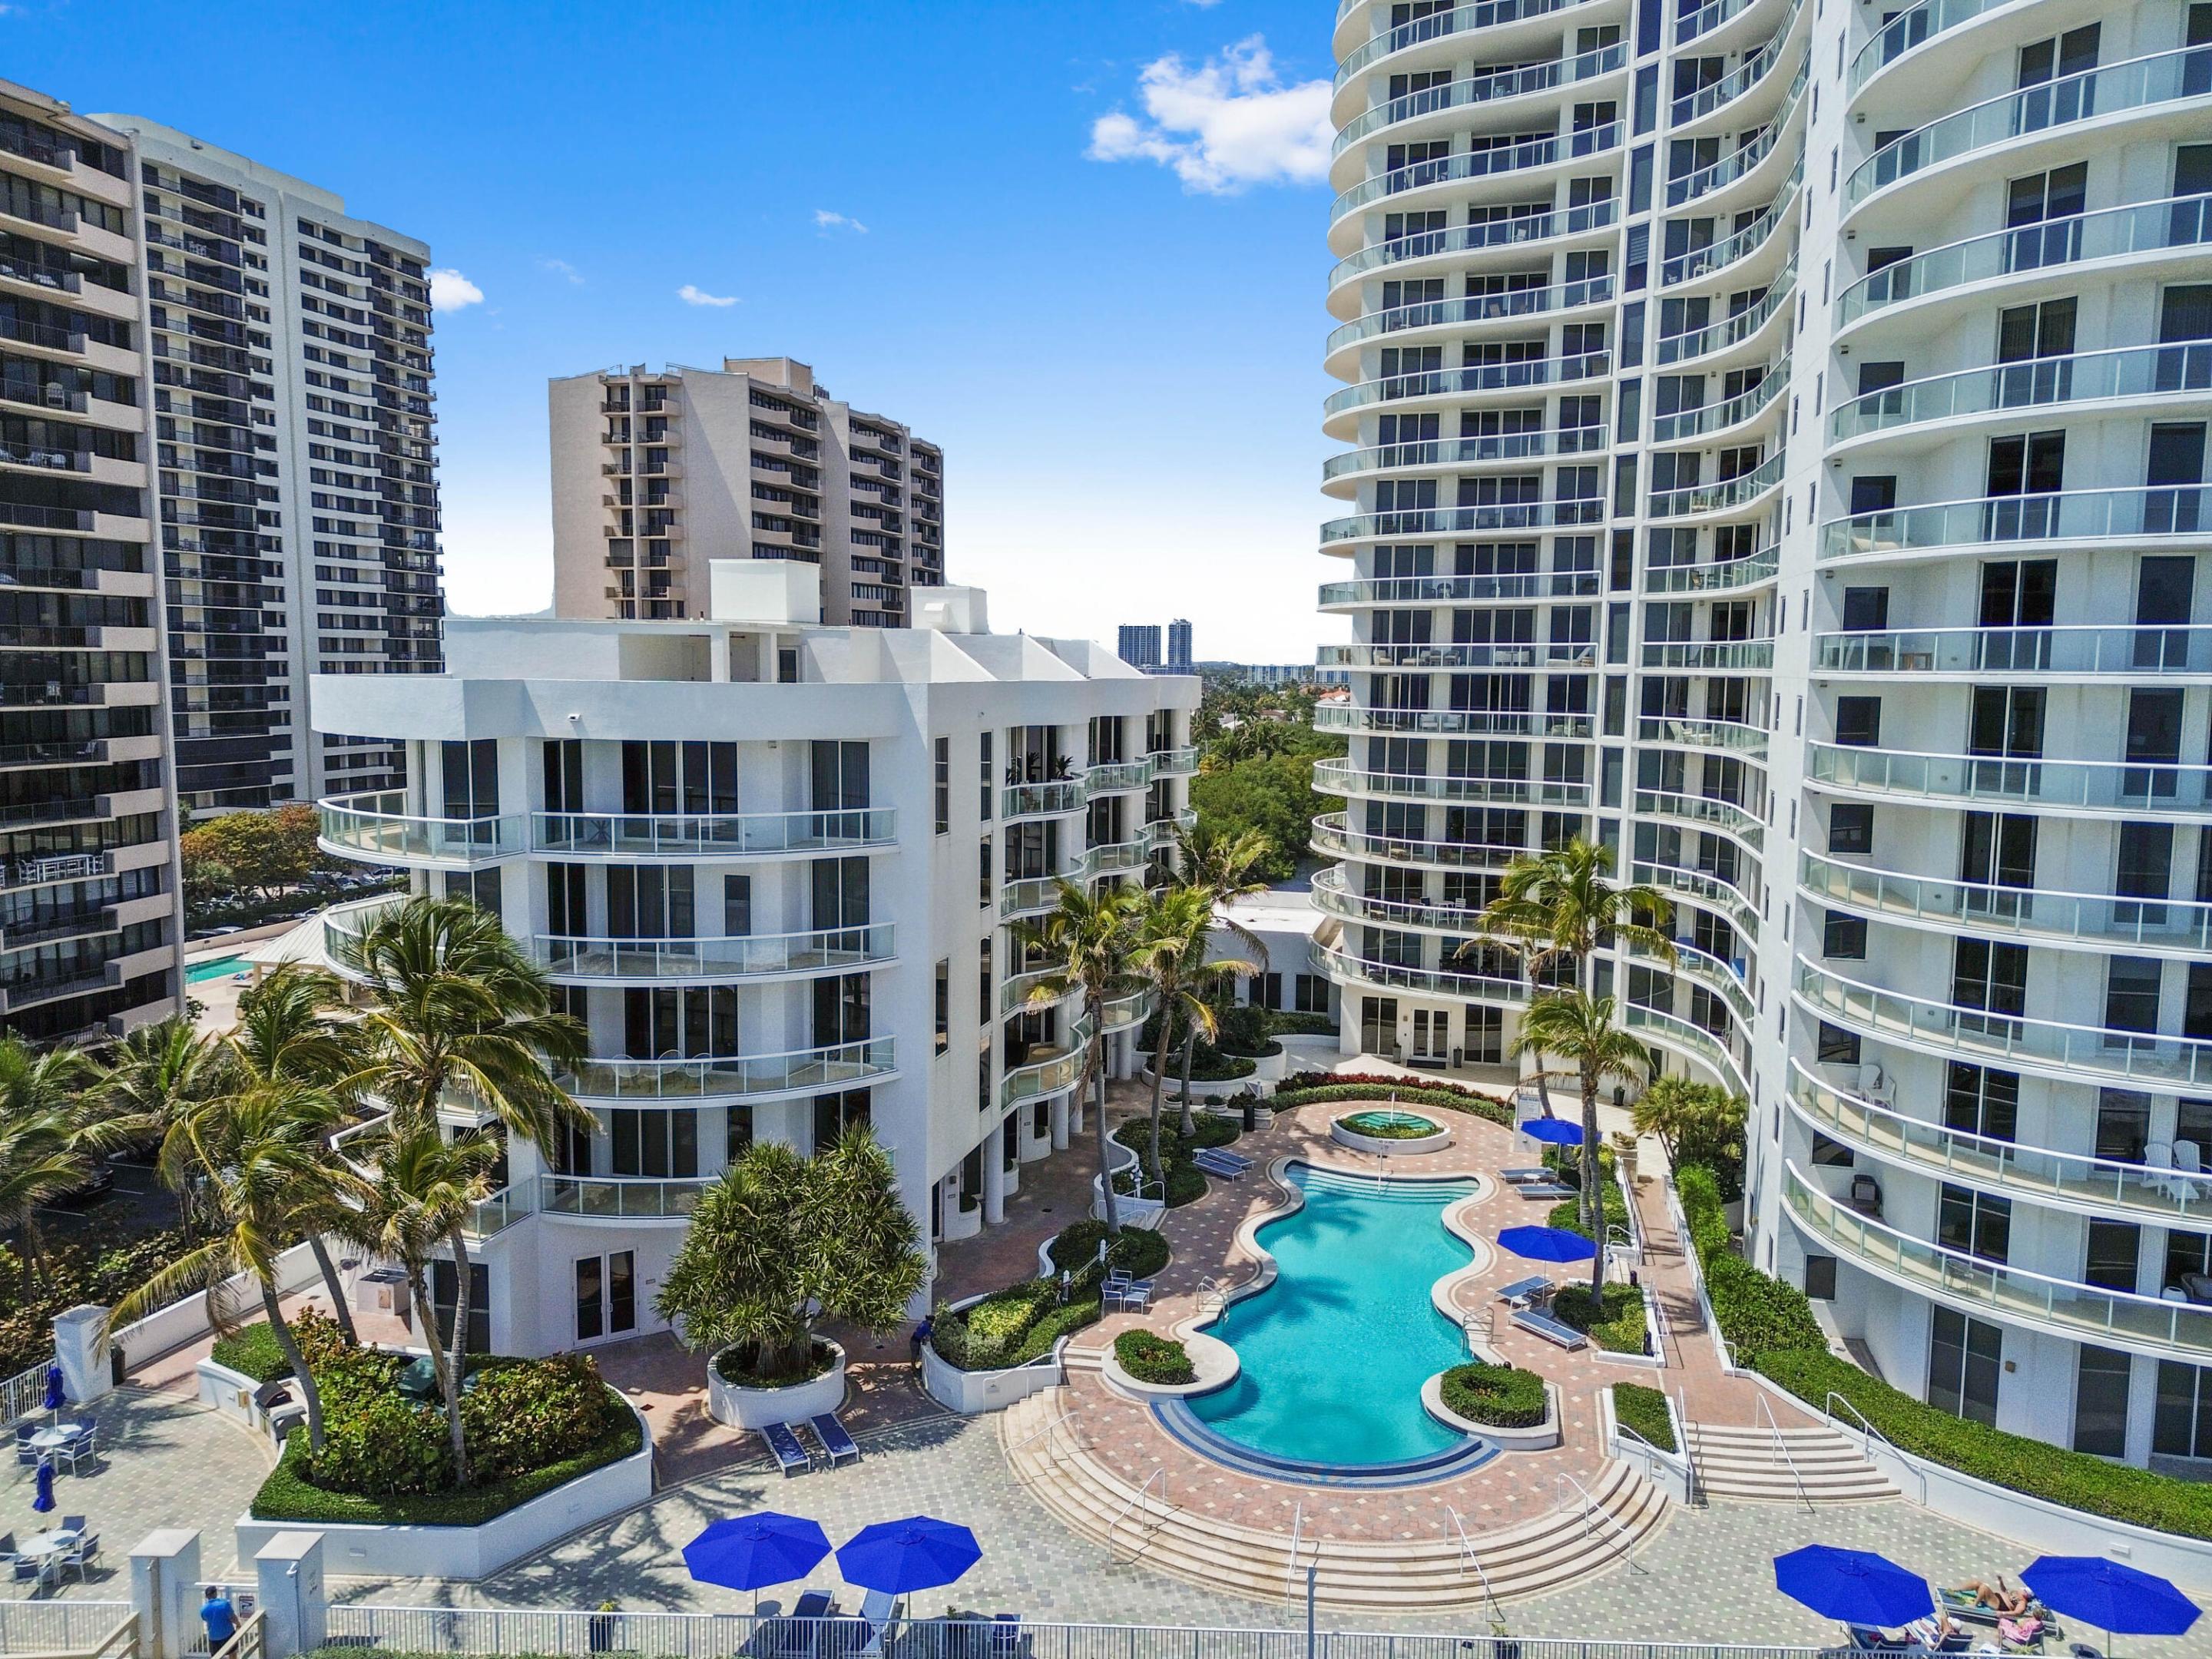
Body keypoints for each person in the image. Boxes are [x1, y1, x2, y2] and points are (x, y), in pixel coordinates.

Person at [1962, 1578, 2032, 1615]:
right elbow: (2005, 1591)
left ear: (2026, 1594)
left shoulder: (2022, 1602)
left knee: (1984, 1588)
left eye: (2024, 1590)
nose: (2021, 1590)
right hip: (1996, 1597)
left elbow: (2016, 1613)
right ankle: (1956, 1590)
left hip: (2000, 1604)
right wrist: (2001, 1582)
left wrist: (2003, 1613)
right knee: (1976, 1583)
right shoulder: (2018, 1594)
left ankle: (1974, 1605)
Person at [200, 1587, 237, 1653]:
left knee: (216, 1655)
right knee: (232, 1652)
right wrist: (239, 1624)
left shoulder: (203, 1609)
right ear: (215, 1593)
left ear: (206, 1596)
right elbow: (233, 1618)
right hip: (228, 1634)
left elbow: (205, 1619)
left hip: (213, 1637)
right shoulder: (224, 1604)